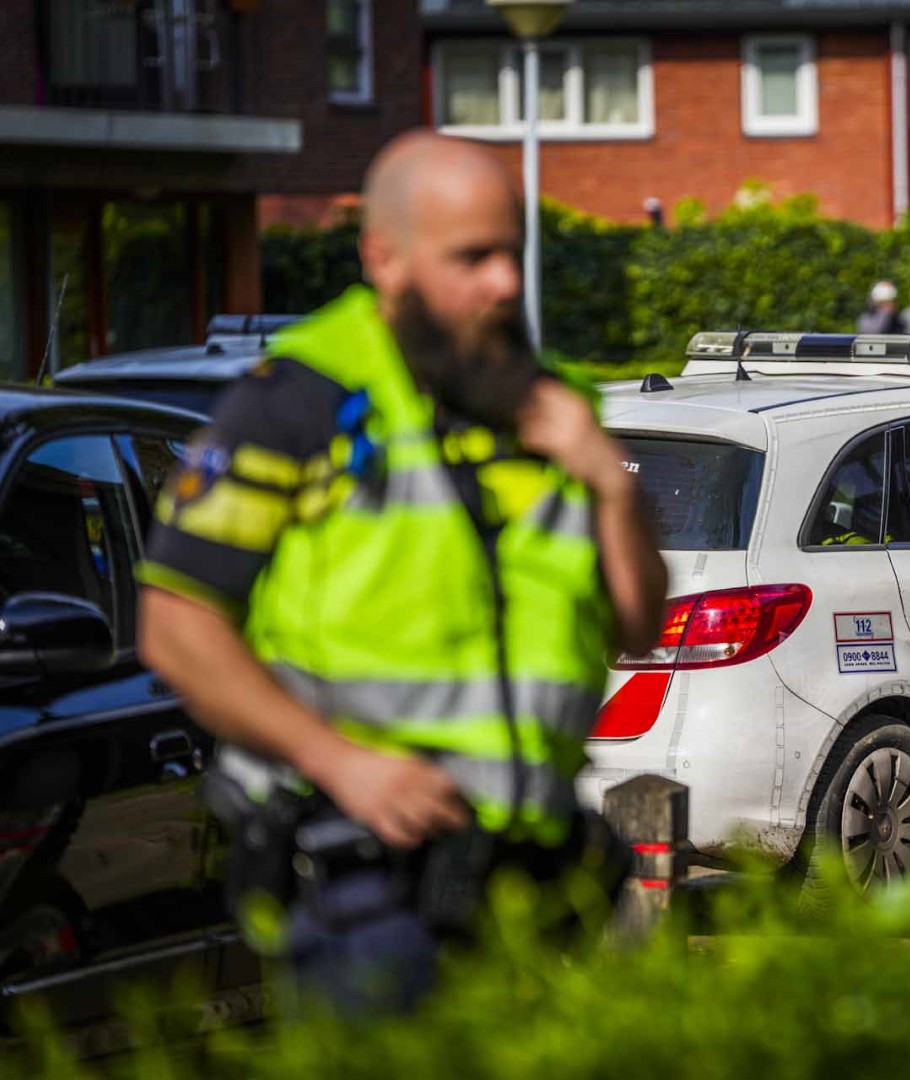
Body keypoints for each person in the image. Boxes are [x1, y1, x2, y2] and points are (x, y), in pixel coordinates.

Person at [136, 131, 669, 1013]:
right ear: (383, 257)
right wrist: (339, 763)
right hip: (366, 885)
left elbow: (634, 628)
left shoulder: (550, 400)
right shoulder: (299, 402)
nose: (505, 283)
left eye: (512, 253)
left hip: (534, 884)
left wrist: (611, 487)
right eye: (473, 258)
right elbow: (174, 622)